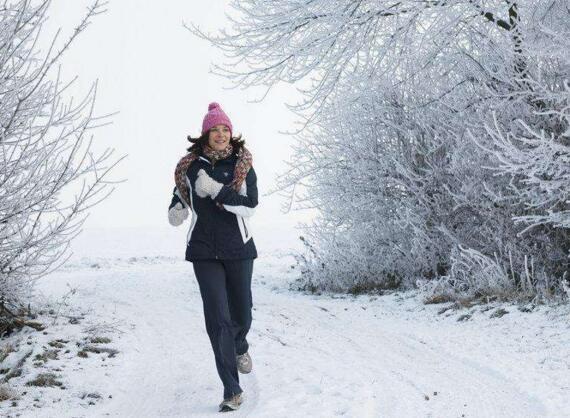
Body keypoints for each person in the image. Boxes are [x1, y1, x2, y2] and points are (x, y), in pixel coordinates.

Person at [168, 102, 258, 412]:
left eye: (225, 129)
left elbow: (249, 205)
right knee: (218, 320)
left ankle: (240, 345)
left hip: (238, 248)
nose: (220, 134)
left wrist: (216, 189)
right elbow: (183, 191)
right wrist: (177, 206)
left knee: (242, 313)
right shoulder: (190, 165)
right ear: (205, 133)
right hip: (204, 249)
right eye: (214, 130)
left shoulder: (242, 165)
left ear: (231, 134)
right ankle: (231, 390)